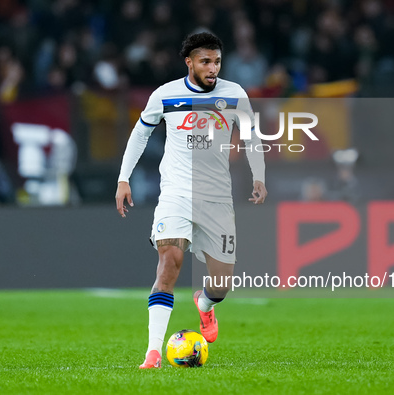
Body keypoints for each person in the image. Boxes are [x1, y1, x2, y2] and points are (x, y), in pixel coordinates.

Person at [115, 32, 267, 369]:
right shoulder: (165, 95)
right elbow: (141, 133)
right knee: (170, 262)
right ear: (189, 62)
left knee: (222, 284)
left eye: (217, 62)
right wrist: (123, 178)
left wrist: (259, 175)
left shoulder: (235, 94)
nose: (213, 68)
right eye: (205, 62)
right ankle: (153, 352)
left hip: (216, 199)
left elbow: (252, 136)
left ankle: (205, 305)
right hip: (175, 193)